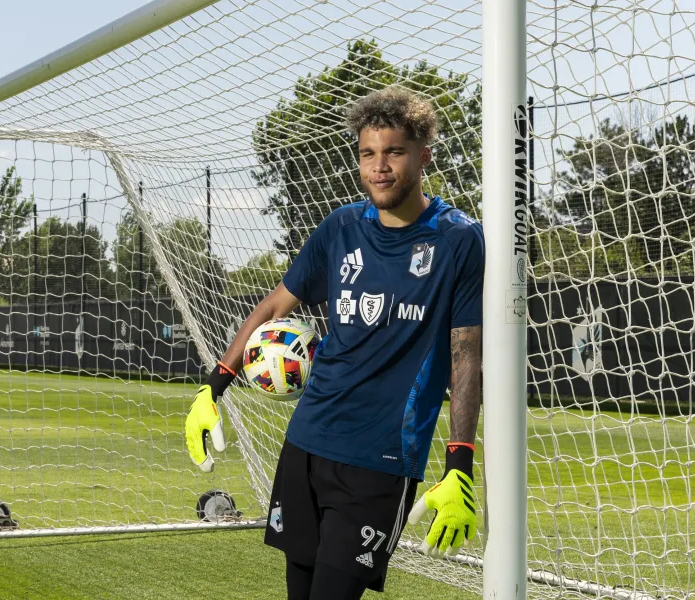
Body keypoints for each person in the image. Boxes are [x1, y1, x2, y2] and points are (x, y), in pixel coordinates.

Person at [184, 86, 484, 599]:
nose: (379, 167)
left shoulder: (458, 239)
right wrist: (215, 388)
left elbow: (466, 355)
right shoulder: (341, 227)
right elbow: (274, 307)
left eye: (393, 152)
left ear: (424, 155)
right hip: (307, 441)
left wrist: (459, 463)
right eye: (368, 154)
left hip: (380, 460)